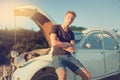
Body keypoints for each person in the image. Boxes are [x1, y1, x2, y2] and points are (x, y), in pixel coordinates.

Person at [50, 10, 91, 80]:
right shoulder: (56, 27)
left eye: (72, 19)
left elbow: (72, 49)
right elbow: (53, 43)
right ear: (64, 17)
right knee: (62, 75)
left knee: (87, 76)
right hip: (57, 56)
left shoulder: (71, 33)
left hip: (69, 57)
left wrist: (60, 43)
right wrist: (67, 44)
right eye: (68, 17)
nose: (70, 20)